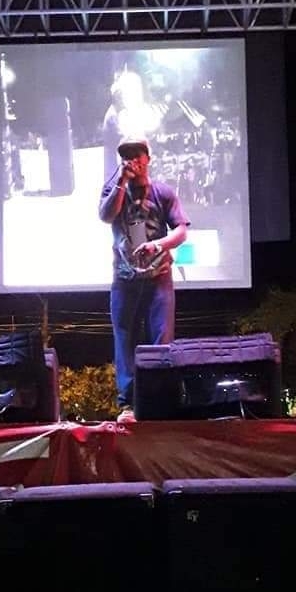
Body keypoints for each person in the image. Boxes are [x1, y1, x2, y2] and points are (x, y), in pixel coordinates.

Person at [99, 136, 189, 424]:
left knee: (161, 340)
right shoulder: (113, 189)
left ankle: (160, 404)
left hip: (158, 277)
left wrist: (157, 245)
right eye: (126, 155)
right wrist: (121, 183)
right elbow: (106, 215)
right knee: (124, 340)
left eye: (137, 155)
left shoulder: (162, 192)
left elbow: (181, 231)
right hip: (124, 278)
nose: (132, 160)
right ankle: (128, 405)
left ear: (148, 158)